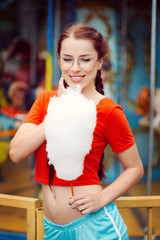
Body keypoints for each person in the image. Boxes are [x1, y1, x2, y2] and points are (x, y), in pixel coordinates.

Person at [9, 24, 144, 240]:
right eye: (68, 58)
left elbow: (135, 168)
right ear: (59, 61)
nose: (75, 68)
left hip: (94, 227)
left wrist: (102, 199)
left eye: (85, 59)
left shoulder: (108, 110)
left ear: (99, 62)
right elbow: (16, 153)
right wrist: (59, 110)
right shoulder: (45, 102)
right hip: (52, 229)